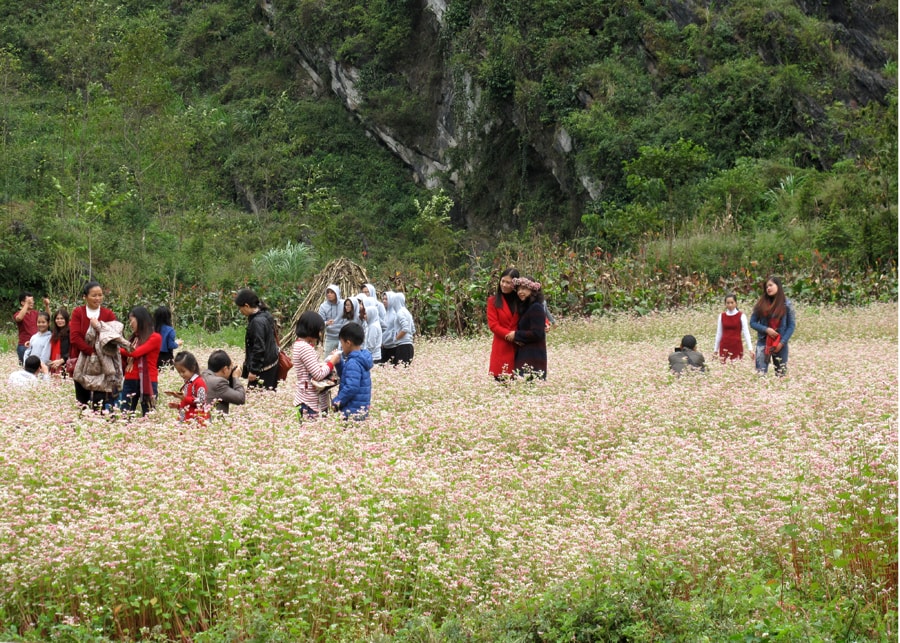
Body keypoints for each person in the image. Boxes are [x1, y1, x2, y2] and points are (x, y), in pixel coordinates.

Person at [69, 281, 118, 410]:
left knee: (100, 399)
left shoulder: (108, 314)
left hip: (103, 363)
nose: (98, 298)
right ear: (85, 297)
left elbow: (113, 335)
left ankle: (98, 423)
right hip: (82, 360)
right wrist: (91, 352)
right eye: (94, 295)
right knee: (82, 400)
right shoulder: (78, 312)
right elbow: (74, 337)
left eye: (100, 295)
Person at [292, 311, 338, 419]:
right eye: (319, 330)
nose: (320, 334)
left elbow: (310, 369)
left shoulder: (299, 344)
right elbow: (318, 374)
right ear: (312, 329)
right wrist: (332, 362)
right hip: (310, 401)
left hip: (304, 397)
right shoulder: (305, 348)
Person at [749, 275, 796, 376]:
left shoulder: (786, 304)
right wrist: (766, 329)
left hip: (780, 343)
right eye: (766, 287)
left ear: (778, 286)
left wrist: (782, 343)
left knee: (781, 375)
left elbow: (791, 326)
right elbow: (752, 322)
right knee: (760, 374)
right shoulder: (761, 304)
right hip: (763, 342)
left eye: (771, 285)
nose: (768, 288)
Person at [119, 306, 161, 416]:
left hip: (148, 381)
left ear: (139, 319)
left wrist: (118, 350)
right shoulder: (134, 339)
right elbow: (128, 354)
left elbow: (135, 352)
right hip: (130, 379)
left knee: (149, 414)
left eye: (131, 320)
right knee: (125, 413)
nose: (130, 324)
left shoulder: (155, 337)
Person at [234, 288, 279, 390]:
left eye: (240, 308)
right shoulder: (265, 314)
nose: (240, 311)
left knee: (258, 394)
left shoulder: (257, 322)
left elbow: (258, 348)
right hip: (272, 365)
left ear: (247, 306)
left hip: (263, 369)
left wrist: (253, 370)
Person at [329, 322, 373, 420]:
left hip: (352, 411)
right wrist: (339, 362)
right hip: (361, 409)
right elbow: (348, 376)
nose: (341, 346)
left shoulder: (353, 362)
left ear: (348, 343)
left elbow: (351, 387)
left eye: (342, 343)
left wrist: (336, 402)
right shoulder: (362, 358)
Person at [512, 276, 547, 379]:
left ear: (533, 290)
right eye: (518, 289)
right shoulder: (526, 307)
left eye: (523, 288)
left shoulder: (536, 307)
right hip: (526, 355)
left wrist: (516, 335)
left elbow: (537, 333)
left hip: (534, 357)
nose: (520, 292)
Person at [487, 268, 520, 379]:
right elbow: (493, 325)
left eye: (508, 282)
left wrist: (545, 322)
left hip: (520, 348)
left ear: (515, 284)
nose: (504, 285)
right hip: (501, 347)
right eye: (502, 281)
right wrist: (510, 335)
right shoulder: (493, 301)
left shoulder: (522, 299)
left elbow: (535, 312)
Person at [167, 352, 209, 423]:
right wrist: (178, 406)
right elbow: (189, 402)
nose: (181, 374)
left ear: (193, 368)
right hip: (186, 417)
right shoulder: (188, 382)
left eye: (183, 371)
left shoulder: (199, 382)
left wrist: (184, 398)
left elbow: (201, 401)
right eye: (179, 372)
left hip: (195, 420)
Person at [202, 350, 246, 414]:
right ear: (225, 369)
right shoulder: (218, 383)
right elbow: (240, 398)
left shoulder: (202, 375)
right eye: (230, 368)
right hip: (213, 421)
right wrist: (235, 377)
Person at [713, 293, 754, 362]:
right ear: (725, 304)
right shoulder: (721, 316)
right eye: (728, 303)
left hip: (736, 346)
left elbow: (746, 333)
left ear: (736, 303)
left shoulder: (741, 316)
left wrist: (750, 349)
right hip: (724, 346)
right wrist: (715, 350)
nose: (730, 305)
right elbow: (719, 333)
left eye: (732, 302)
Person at [13, 292, 51, 365]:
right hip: (23, 345)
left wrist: (47, 305)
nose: (32, 302)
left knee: (37, 367)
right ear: (22, 302)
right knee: (25, 368)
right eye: (29, 301)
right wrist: (27, 304)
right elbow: (19, 318)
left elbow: (47, 318)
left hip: (36, 344)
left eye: (32, 300)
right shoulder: (18, 314)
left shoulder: (35, 313)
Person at [382, 291, 415, 366]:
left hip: (403, 345)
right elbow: (412, 329)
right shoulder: (407, 312)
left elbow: (405, 328)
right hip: (409, 344)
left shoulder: (399, 313)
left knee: (401, 369)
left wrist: (396, 338)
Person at [317, 284, 344, 354]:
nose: (329, 294)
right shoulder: (323, 306)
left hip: (343, 337)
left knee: (343, 359)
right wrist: (326, 323)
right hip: (330, 337)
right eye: (328, 292)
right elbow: (319, 322)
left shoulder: (344, 304)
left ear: (337, 293)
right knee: (328, 359)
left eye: (332, 292)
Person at [359, 296, 383, 364]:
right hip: (373, 356)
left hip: (373, 357)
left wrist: (364, 355)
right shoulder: (372, 325)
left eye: (366, 314)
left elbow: (371, 345)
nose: (364, 316)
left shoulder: (373, 327)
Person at [48, 308, 71, 377]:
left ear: (66, 320)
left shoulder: (70, 332)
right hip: (53, 363)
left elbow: (73, 350)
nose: (59, 320)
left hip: (65, 364)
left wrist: (62, 360)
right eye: (57, 318)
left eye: (62, 318)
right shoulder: (54, 332)